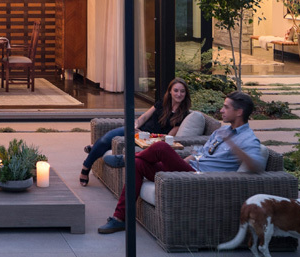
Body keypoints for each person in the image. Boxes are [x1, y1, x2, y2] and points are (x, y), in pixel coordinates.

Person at [97, 92, 264, 234]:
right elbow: (202, 152)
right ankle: (120, 218)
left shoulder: (248, 139)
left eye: (226, 107)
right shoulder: (222, 130)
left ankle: (125, 159)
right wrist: (182, 162)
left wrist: (234, 146)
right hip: (188, 169)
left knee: (161, 147)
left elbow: (256, 166)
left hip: (202, 178)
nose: (221, 110)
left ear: (239, 111)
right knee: (138, 165)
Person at [78, 78, 206, 187]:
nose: (179, 94)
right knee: (107, 138)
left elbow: (169, 136)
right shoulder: (162, 103)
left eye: (182, 91)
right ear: (170, 92)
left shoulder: (183, 113)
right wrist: (136, 125)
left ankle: (86, 165)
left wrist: (149, 137)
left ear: (186, 94)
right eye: (176, 90)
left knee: (104, 143)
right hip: (140, 130)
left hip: (150, 139)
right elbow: (145, 116)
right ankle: (89, 162)